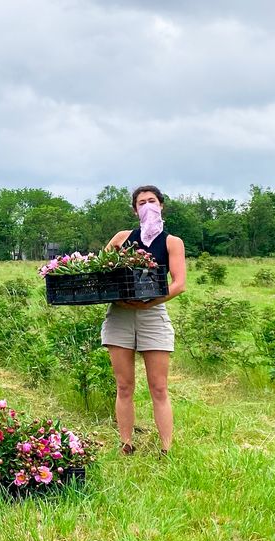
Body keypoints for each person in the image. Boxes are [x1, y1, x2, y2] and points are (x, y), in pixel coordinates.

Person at [101, 185, 186, 456]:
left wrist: (150, 302)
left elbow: (179, 283)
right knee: (124, 385)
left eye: (152, 201)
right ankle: (126, 444)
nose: (147, 206)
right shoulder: (122, 238)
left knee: (159, 387)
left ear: (161, 205)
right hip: (120, 315)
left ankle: (166, 448)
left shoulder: (172, 242)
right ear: (134, 210)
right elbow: (101, 272)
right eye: (141, 202)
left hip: (153, 316)